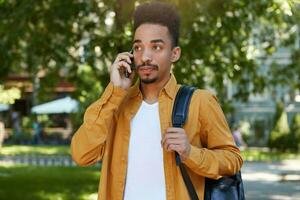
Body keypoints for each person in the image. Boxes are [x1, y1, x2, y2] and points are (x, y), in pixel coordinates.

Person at [71, 2, 243, 200]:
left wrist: (190, 153)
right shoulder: (116, 104)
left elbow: (233, 159)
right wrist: (115, 92)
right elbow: (81, 154)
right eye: (138, 47)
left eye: (156, 47)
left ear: (174, 53)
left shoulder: (200, 102)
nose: (145, 56)